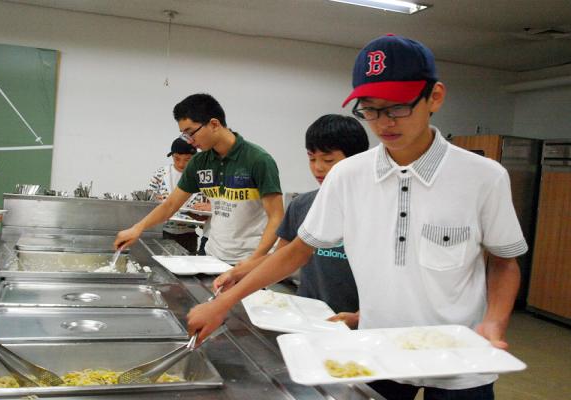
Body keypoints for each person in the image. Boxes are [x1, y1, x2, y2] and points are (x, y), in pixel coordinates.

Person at [187, 35, 526, 400]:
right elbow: (297, 251)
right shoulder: (349, 176)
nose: (383, 123)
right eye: (370, 109)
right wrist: (222, 304)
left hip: (461, 358)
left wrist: (494, 322)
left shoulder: (483, 177)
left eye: (397, 108)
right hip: (376, 351)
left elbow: (505, 262)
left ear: (435, 97)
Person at [213, 114, 369, 327]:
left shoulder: (376, 208)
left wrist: (361, 316)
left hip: (361, 327)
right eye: (312, 158)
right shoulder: (302, 205)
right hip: (307, 316)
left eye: (328, 160)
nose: (318, 167)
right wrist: (237, 273)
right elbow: (282, 257)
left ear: (357, 160)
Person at [115, 93, 284, 265]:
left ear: (214, 124)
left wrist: (254, 260)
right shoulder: (199, 162)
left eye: (190, 133)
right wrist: (137, 228)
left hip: (251, 260)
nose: (190, 141)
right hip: (213, 257)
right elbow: (170, 205)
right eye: (184, 135)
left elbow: (276, 217)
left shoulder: (258, 160)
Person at [148, 137, 204, 254]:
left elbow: (209, 205)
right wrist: (154, 200)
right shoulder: (161, 174)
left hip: (189, 234)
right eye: (177, 159)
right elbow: (148, 198)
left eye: (187, 159)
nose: (181, 164)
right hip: (163, 232)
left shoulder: (202, 177)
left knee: (187, 263)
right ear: (172, 156)